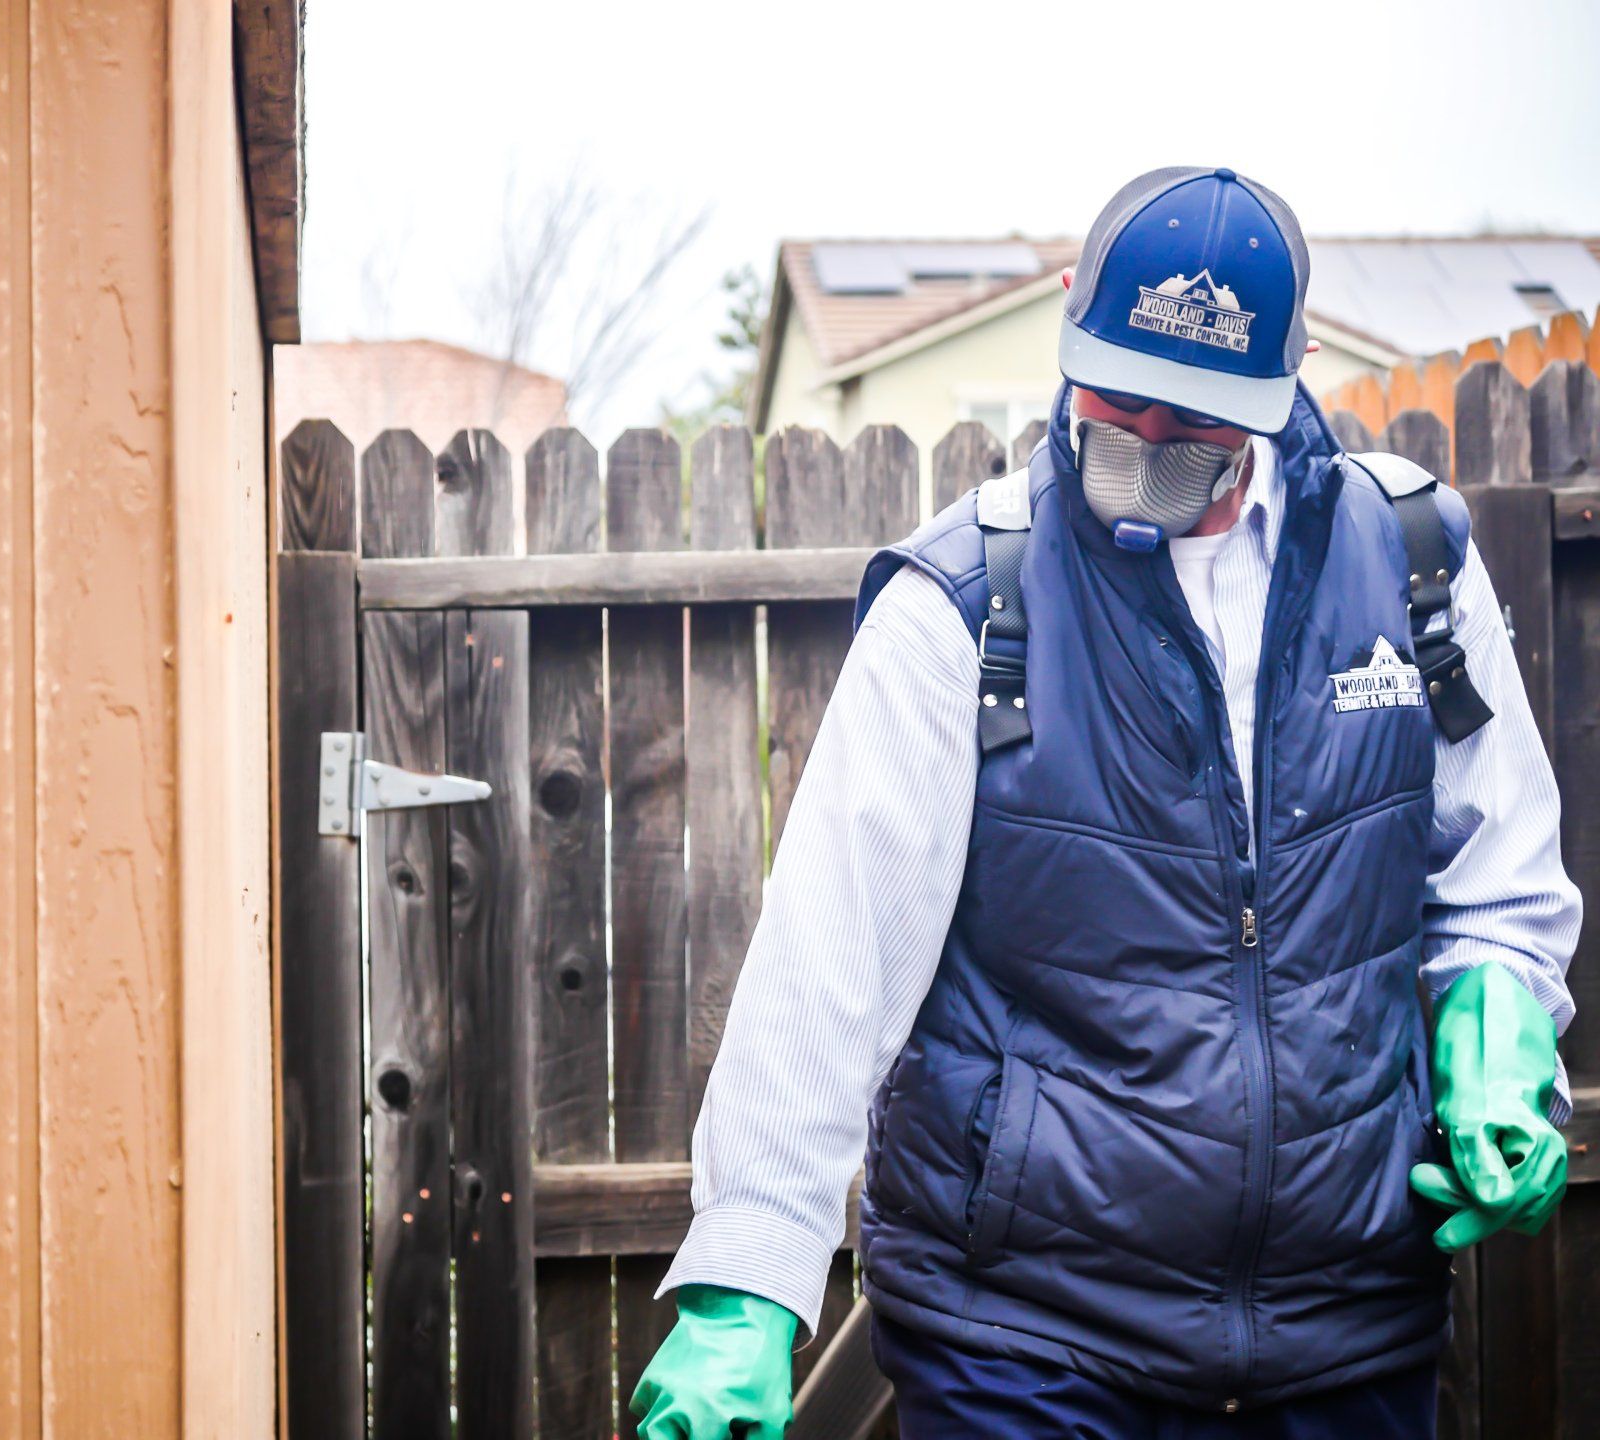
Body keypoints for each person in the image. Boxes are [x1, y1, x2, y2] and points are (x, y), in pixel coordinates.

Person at [629, 167, 1579, 1439]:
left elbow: (1499, 879)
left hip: (1347, 1335)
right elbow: (829, 962)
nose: (1140, 440)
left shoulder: (1413, 566)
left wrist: (1502, 1038)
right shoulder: (964, 607)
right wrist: (745, 1288)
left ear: (1282, 386)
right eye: (1116, 393)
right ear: (1073, 318)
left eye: (1190, 425)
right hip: (1028, 1345)